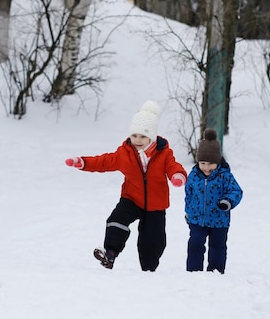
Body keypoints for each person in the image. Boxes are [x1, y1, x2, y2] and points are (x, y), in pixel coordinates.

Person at [65, 100, 187, 271]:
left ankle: (149, 270)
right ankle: (110, 254)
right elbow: (104, 161)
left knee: (152, 242)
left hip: (156, 205)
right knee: (116, 220)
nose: (137, 140)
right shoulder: (125, 154)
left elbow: (173, 166)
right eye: (134, 135)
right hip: (131, 198)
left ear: (151, 137)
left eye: (143, 136)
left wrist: (177, 175)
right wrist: (83, 162)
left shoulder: (164, 154)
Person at [184, 128, 243, 274]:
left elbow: (236, 191)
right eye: (202, 163)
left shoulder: (225, 176)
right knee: (195, 243)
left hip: (219, 220)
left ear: (217, 161)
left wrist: (227, 202)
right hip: (198, 220)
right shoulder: (193, 176)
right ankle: (193, 271)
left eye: (210, 164)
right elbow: (189, 195)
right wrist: (188, 213)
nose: (206, 167)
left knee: (218, 246)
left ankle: (216, 272)